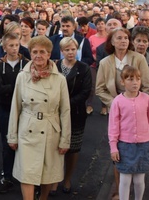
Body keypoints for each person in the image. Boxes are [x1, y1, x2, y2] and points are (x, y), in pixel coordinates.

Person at [7, 35, 70, 200]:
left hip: (51, 130)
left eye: (43, 52)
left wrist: (65, 139)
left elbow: (65, 111)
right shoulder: (22, 76)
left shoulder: (60, 79)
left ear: (49, 54)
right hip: (28, 129)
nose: (38, 55)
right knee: (27, 173)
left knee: (47, 173)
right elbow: (15, 107)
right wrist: (12, 136)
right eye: (34, 52)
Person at [109, 65, 149, 200]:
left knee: (139, 179)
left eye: (138, 79)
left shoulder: (147, 99)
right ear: (122, 82)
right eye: (130, 79)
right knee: (124, 178)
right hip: (125, 145)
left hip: (144, 145)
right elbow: (113, 127)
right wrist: (113, 147)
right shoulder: (117, 101)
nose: (135, 82)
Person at [56, 36, 92, 194]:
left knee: (72, 148)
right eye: (67, 49)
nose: (71, 52)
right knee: (55, 148)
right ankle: (55, 179)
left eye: (73, 49)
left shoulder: (83, 68)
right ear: (61, 51)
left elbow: (85, 92)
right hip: (55, 114)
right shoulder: (55, 65)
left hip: (75, 113)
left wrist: (66, 103)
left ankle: (68, 178)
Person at [0, 30, 29, 194]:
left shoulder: (27, 64)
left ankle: (23, 174)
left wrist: (11, 89)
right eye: (11, 45)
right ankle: (7, 176)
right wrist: (16, 87)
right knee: (7, 143)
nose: (15, 48)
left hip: (25, 110)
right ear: (4, 47)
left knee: (24, 143)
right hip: (6, 108)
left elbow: (29, 87)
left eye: (17, 45)